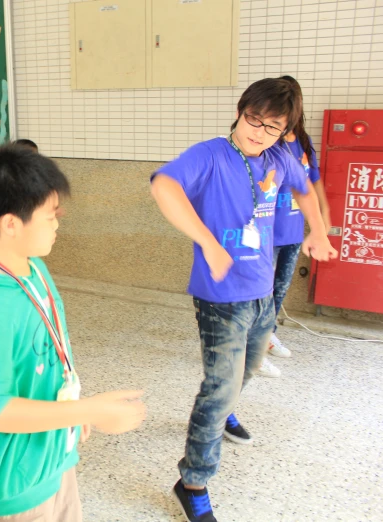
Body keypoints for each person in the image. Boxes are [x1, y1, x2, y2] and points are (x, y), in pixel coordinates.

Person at [150, 78, 337, 522]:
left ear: (284, 129)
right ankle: (193, 481)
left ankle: (222, 413)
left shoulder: (280, 157)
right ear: (240, 111)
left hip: (262, 294)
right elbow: (163, 186)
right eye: (253, 120)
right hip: (221, 299)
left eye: (271, 127)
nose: (258, 132)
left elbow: (305, 191)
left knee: (246, 372)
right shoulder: (210, 154)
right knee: (218, 389)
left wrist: (319, 229)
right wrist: (208, 243)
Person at [0, 145, 146, 521]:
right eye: (49, 216)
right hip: (18, 479)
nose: (58, 224)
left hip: (54, 453)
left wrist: (72, 414)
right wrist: (88, 409)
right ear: (11, 224)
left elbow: (53, 352)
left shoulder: (35, 269)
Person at [257, 75, 332, 378]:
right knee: (259, 292)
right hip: (265, 230)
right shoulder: (267, 141)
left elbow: (312, 180)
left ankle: (267, 335)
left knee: (278, 289)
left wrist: (322, 219)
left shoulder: (301, 141)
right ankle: (253, 348)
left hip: (292, 228)